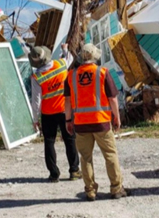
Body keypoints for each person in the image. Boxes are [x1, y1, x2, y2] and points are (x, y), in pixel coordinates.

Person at [64, 43, 127, 201]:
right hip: (101, 123)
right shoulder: (102, 73)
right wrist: (117, 118)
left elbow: (67, 101)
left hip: (80, 124)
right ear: (94, 57)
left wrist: (68, 120)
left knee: (85, 158)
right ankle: (116, 188)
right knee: (110, 155)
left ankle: (90, 191)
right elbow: (113, 98)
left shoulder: (70, 75)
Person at [29, 45, 80, 182]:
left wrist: (35, 119)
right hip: (65, 111)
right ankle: (74, 171)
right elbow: (69, 57)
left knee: (49, 142)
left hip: (48, 113)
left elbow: (36, 101)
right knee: (70, 140)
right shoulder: (61, 64)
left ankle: (53, 174)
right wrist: (65, 49)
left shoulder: (36, 77)